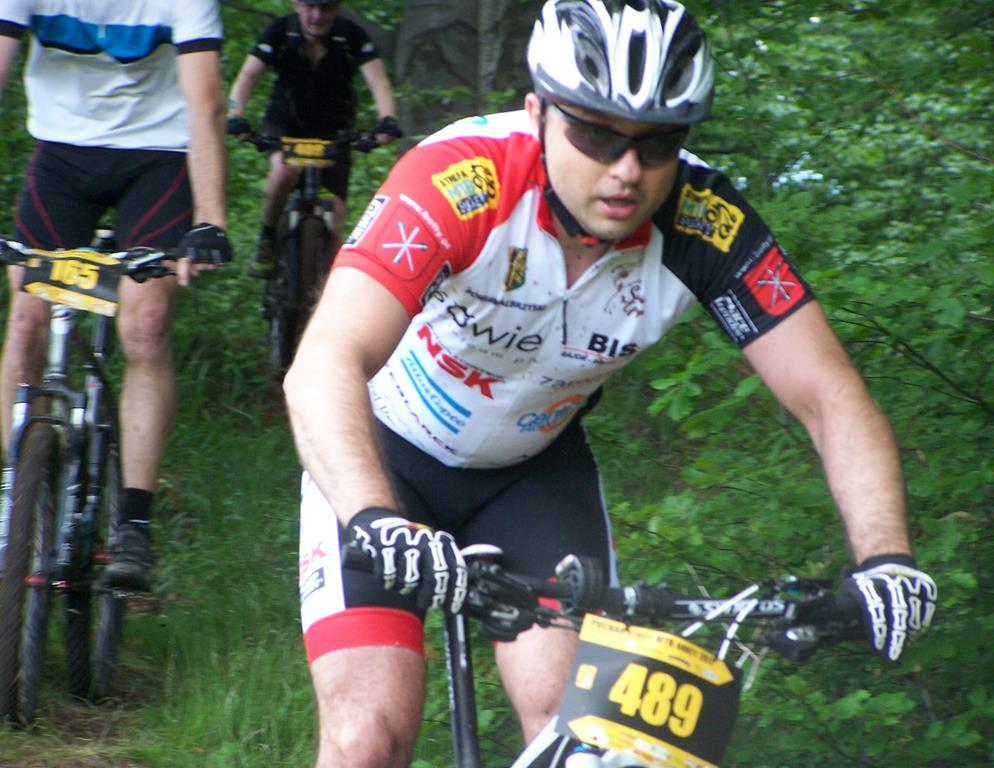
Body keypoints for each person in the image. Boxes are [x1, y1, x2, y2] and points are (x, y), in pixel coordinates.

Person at [284, 1, 938, 765]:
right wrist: (373, 516)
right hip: (386, 458)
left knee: (581, 741)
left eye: (657, 143)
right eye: (595, 134)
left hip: (531, 476)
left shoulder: (704, 222)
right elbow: (324, 361)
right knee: (367, 738)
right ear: (538, 112)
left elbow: (830, 395)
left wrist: (886, 559)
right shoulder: (462, 180)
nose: (627, 169)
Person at [0, 0, 233, 592]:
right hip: (60, 153)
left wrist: (209, 220)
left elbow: (206, 104)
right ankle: (13, 498)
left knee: (146, 323)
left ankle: (133, 524)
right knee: (25, 318)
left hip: (159, 156)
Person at [226, 0, 401, 278]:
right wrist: (235, 114)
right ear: (296, 4)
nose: (317, 15)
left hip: (335, 129)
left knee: (337, 214)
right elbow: (248, 75)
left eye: (326, 8)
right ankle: (267, 239)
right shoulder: (280, 31)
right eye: (310, 6)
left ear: (337, 7)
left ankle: (325, 288)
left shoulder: (350, 35)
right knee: (284, 172)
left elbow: (378, 81)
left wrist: (387, 120)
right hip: (286, 122)